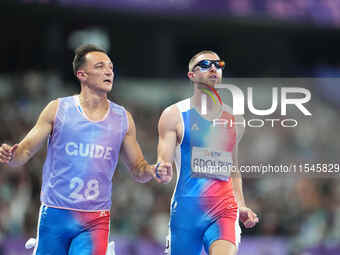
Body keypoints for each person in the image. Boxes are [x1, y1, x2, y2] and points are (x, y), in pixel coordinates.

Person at [0, 44, 167, 255]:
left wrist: (152, 170)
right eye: (100, 66)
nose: (108, 71)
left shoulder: (123, 119)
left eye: (111, 67)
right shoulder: (58, 109)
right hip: (55, 215)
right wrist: (11, 156)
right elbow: (24, 152)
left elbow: (138, 169)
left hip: (94, 220)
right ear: (82, 74)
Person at [155, 50, 259, 255]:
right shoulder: (174, 115)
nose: (213, 68)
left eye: (217, 64)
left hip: (224, 209)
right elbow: (163, 158)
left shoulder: (234, 118)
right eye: (204, 64)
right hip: (186, 211)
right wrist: (162, 167)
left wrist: (242, 205)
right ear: (191, 75)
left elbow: (233, 168)